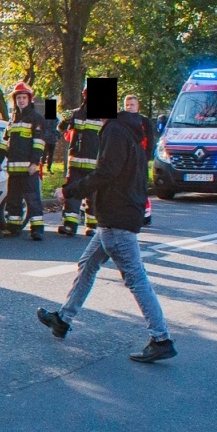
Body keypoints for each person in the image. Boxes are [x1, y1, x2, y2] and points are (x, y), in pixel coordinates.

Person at [37, 111, 177, 363]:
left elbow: (105, 173)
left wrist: (70, 191)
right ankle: (63, 320)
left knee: (135, 278)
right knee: (88, 265)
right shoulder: (127, 129)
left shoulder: (114, 130)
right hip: (117, 215)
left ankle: (161, 338)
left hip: (116, 218)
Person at [0, 81, 47, 240]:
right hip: (13, 170)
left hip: (28, 169)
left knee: (32, 199)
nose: (21, 100)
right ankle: (13, 227)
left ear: (29, 99)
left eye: (23, 97)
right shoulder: (12, 120)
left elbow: (39, 143)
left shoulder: (36, 118)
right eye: (18, 97)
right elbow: (5, 142)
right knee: (13, 200)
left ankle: (37, 229)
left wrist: (34, 162)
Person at [58, 89, 102, 236]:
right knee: (72, 193)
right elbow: (61, 128)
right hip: (75, 163)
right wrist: (64, 119)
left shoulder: (105, 119)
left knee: (94, 196)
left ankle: (92, 226)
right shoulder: (75, 113)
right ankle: (70, 225)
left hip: (95, 165)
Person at [124, 94, 155, 225]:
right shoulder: (122, 120)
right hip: (126, 159)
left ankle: (146, 215)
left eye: (132, 105)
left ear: (138, 106)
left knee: (141, 186)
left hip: (140, 158)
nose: (129, 107)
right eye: (127, 105)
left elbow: (150, 140)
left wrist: (146, 157)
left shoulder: (144, 121)